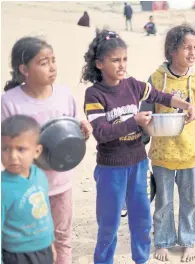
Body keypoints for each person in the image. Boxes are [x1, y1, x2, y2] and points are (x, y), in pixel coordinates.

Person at [81, 29, 195, 264]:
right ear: (100, 63)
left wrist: (185, 105)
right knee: (109, 224)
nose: (122, 65)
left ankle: (141, 259)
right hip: (111, 169)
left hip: (138, 164)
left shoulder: (133, 85)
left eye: (124, 59)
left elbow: (160, 96)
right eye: (115, 60)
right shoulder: (94, 94)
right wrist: (133, 121)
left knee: (142, 220)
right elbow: (102, 133)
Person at [1, 36, 92, 264]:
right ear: (24, 69)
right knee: (29, 241)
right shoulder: (10, 102)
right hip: (26, 187)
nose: (52, 67)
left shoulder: (63, 95)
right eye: (43, 62)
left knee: (62, 239)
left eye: (53, 60)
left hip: (61, 184)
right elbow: (6, 146)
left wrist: (84, 129)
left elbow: (73, 131)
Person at [147, 24, 195, 263]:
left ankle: (188, 241)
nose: (192, 52)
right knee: (163, 201)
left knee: (189, 200)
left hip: (189, 152)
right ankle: (163, 241)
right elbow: (145, 113)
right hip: (162, 153)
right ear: (172, 50)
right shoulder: (155, 79)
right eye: (186, 47)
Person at [1, 115, 55, 264]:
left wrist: (50, 242)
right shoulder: (2, 188)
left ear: (37, 151)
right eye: (6, 149)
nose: (13, 156)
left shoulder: (40, 176)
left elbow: (46, 211)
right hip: (16, 256)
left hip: (44, 250)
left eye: (21, 149)